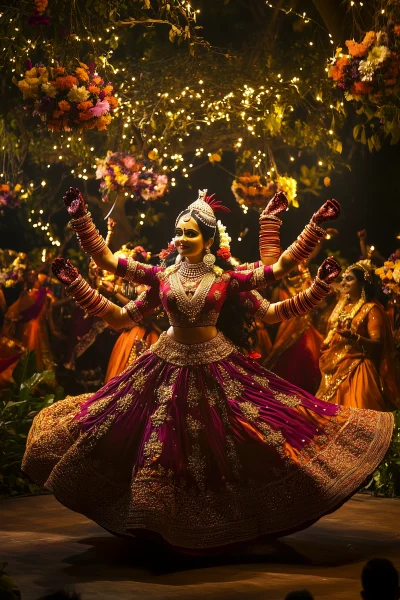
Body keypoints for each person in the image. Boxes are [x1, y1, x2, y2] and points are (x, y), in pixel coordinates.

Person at [22, 187, 393, 553]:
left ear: (208, 238)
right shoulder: (161, 276)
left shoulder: (226, 278)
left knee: (243, 440)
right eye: (179, 232)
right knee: (145, 440)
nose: (182, 239)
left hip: (217, 367)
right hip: (164, 365)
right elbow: (118, 307)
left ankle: (221, 521)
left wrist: (314, 238)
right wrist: (80, 239)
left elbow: (276, 286)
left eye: (190, 233)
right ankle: (156, 523)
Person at [316, 260, 400, 410]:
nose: (343, 282)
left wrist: (354, 337)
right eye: (343, 278)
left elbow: (378, 343)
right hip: (334, 365)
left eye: (349, 279)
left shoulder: (371, 309)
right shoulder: (341, 306)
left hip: (358, 368)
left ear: (362, 284)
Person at [103, 245, 164, 382]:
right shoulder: (129, 286)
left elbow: (140, 311)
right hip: (131, 329)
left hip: (143, 332)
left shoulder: (148, 286)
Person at [1, 268, 55, 371]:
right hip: (24, 329)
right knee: (26, 353)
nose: (31, 277)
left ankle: (37, 375)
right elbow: (12, 311)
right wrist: (13, 318)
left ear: (36, 279)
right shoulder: (24, 294)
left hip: (37, 329)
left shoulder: (42, 293)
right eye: (29, 275)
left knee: (36, 352)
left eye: (33, 275)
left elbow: (52, 306)